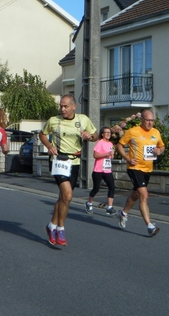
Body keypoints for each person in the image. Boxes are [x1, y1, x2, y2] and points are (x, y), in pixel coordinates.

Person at [39, 94, 98, 246]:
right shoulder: (54, 121)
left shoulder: (83, 119)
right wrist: (49, 146)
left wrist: (89, 136)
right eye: (61, 106)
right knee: (68, 195)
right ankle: (60, 228)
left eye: (65, 106)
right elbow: (42, 134)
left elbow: (95, 135)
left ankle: (51, 225)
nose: (62, 109)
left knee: (63, 197)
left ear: (73, 107)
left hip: (74, 162)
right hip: (58, 160)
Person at [116, 110, 165, 237]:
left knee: (136, 194)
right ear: (142, 120)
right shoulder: (133, 131)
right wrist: (127, 159)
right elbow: (120, 145)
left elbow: (162, 146)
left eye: (152, 120)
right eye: (148, 120)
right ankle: (150, 226)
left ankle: (123, 213)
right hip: (134, 167)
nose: (150, 123)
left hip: (148, 169)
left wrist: (159, 150)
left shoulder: (156, 132)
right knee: (144, 194)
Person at [86, 127, 116, 215]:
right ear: (102, 134)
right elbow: (95, 155)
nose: (108, 134)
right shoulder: (100, 142)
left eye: (109, 132)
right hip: (98, 170)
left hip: (107, 170)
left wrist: (112, 155)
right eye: (106, 132)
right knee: (96, 188)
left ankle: (109, 207)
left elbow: (111, 156)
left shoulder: (111, 144)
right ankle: (89, 203)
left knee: (112, 187)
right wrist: (107, 154)